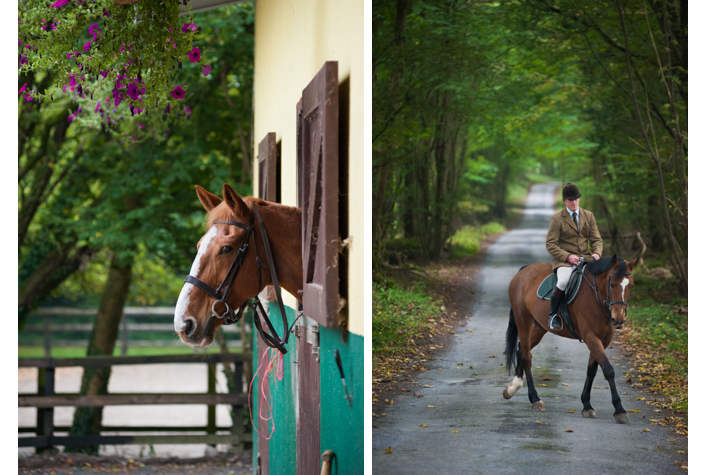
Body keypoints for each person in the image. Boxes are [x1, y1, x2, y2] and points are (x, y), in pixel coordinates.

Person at [545, 183, 602, 330]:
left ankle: (610, 314)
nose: (574, 202)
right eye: (571, 200)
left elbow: (596, 239)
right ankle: (553, 315)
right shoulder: (557, 219)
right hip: (564, 261)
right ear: (564, 200)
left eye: (576, 199)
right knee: (563, 281)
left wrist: (596, 252)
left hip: (586, 258)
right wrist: (567, 256)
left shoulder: (588, 215)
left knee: (605, 278)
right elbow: (550, 244)